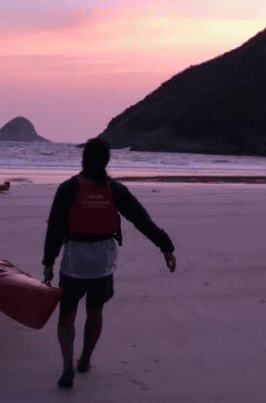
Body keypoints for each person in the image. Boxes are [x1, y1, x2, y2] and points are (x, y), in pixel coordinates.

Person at [42, 137, 176, 389]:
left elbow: (55, 229)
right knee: (95, 310)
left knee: (68, 312)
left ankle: (67, 365)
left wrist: (48, 262)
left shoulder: (68, 188)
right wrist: (165, 245)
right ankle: (85, 360)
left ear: (83, 160)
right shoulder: (115, 189)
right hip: (104, 260)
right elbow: (140, 218)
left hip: (74, 260)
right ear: (106, 161)